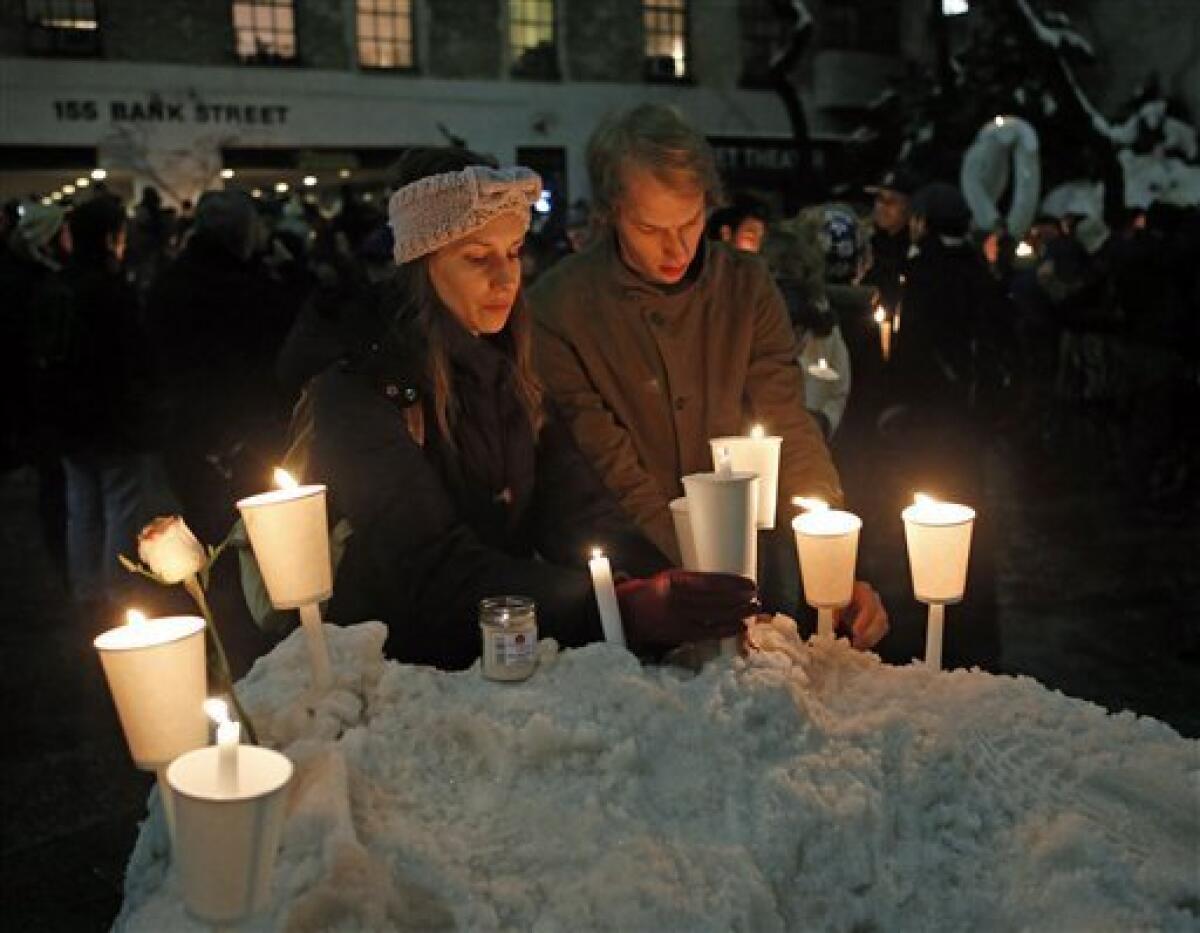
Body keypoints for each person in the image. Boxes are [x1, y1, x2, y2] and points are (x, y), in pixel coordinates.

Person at [308, 147, 758, 670]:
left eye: (515, 251)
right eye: (478, 258)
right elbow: (428, 568)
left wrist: (668, 587)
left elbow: (577, 507)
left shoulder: (509, 370)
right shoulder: (358, 392)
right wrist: (615, 607)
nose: (506, 278)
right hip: (393, 673)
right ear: (420, 264)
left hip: (497, 651)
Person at [530, 104, 887, 649]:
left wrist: (831, 563)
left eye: (690, 222)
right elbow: (607, 461)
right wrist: (695, 577)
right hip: (633, 579)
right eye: (650, 228)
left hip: (748, 572)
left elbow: (787, 424)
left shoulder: (745, 286)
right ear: (611, 212)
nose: (676, 249)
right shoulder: (560, 306)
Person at [32, 195, 154, 614]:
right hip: (110, 413)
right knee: (121, 502)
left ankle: (86, 589)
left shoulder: (56, 285)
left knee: (81, 503)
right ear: (109, 237)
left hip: (67, 414)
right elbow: (132, 355)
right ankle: (119, 590)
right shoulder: (110, 290)